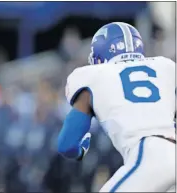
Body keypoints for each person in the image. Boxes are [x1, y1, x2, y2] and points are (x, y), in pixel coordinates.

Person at [57, 22, 175, 192]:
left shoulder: (93, 76)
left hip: (148, 155)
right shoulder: (166, 67)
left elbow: (66, 145)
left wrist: (80, 150)